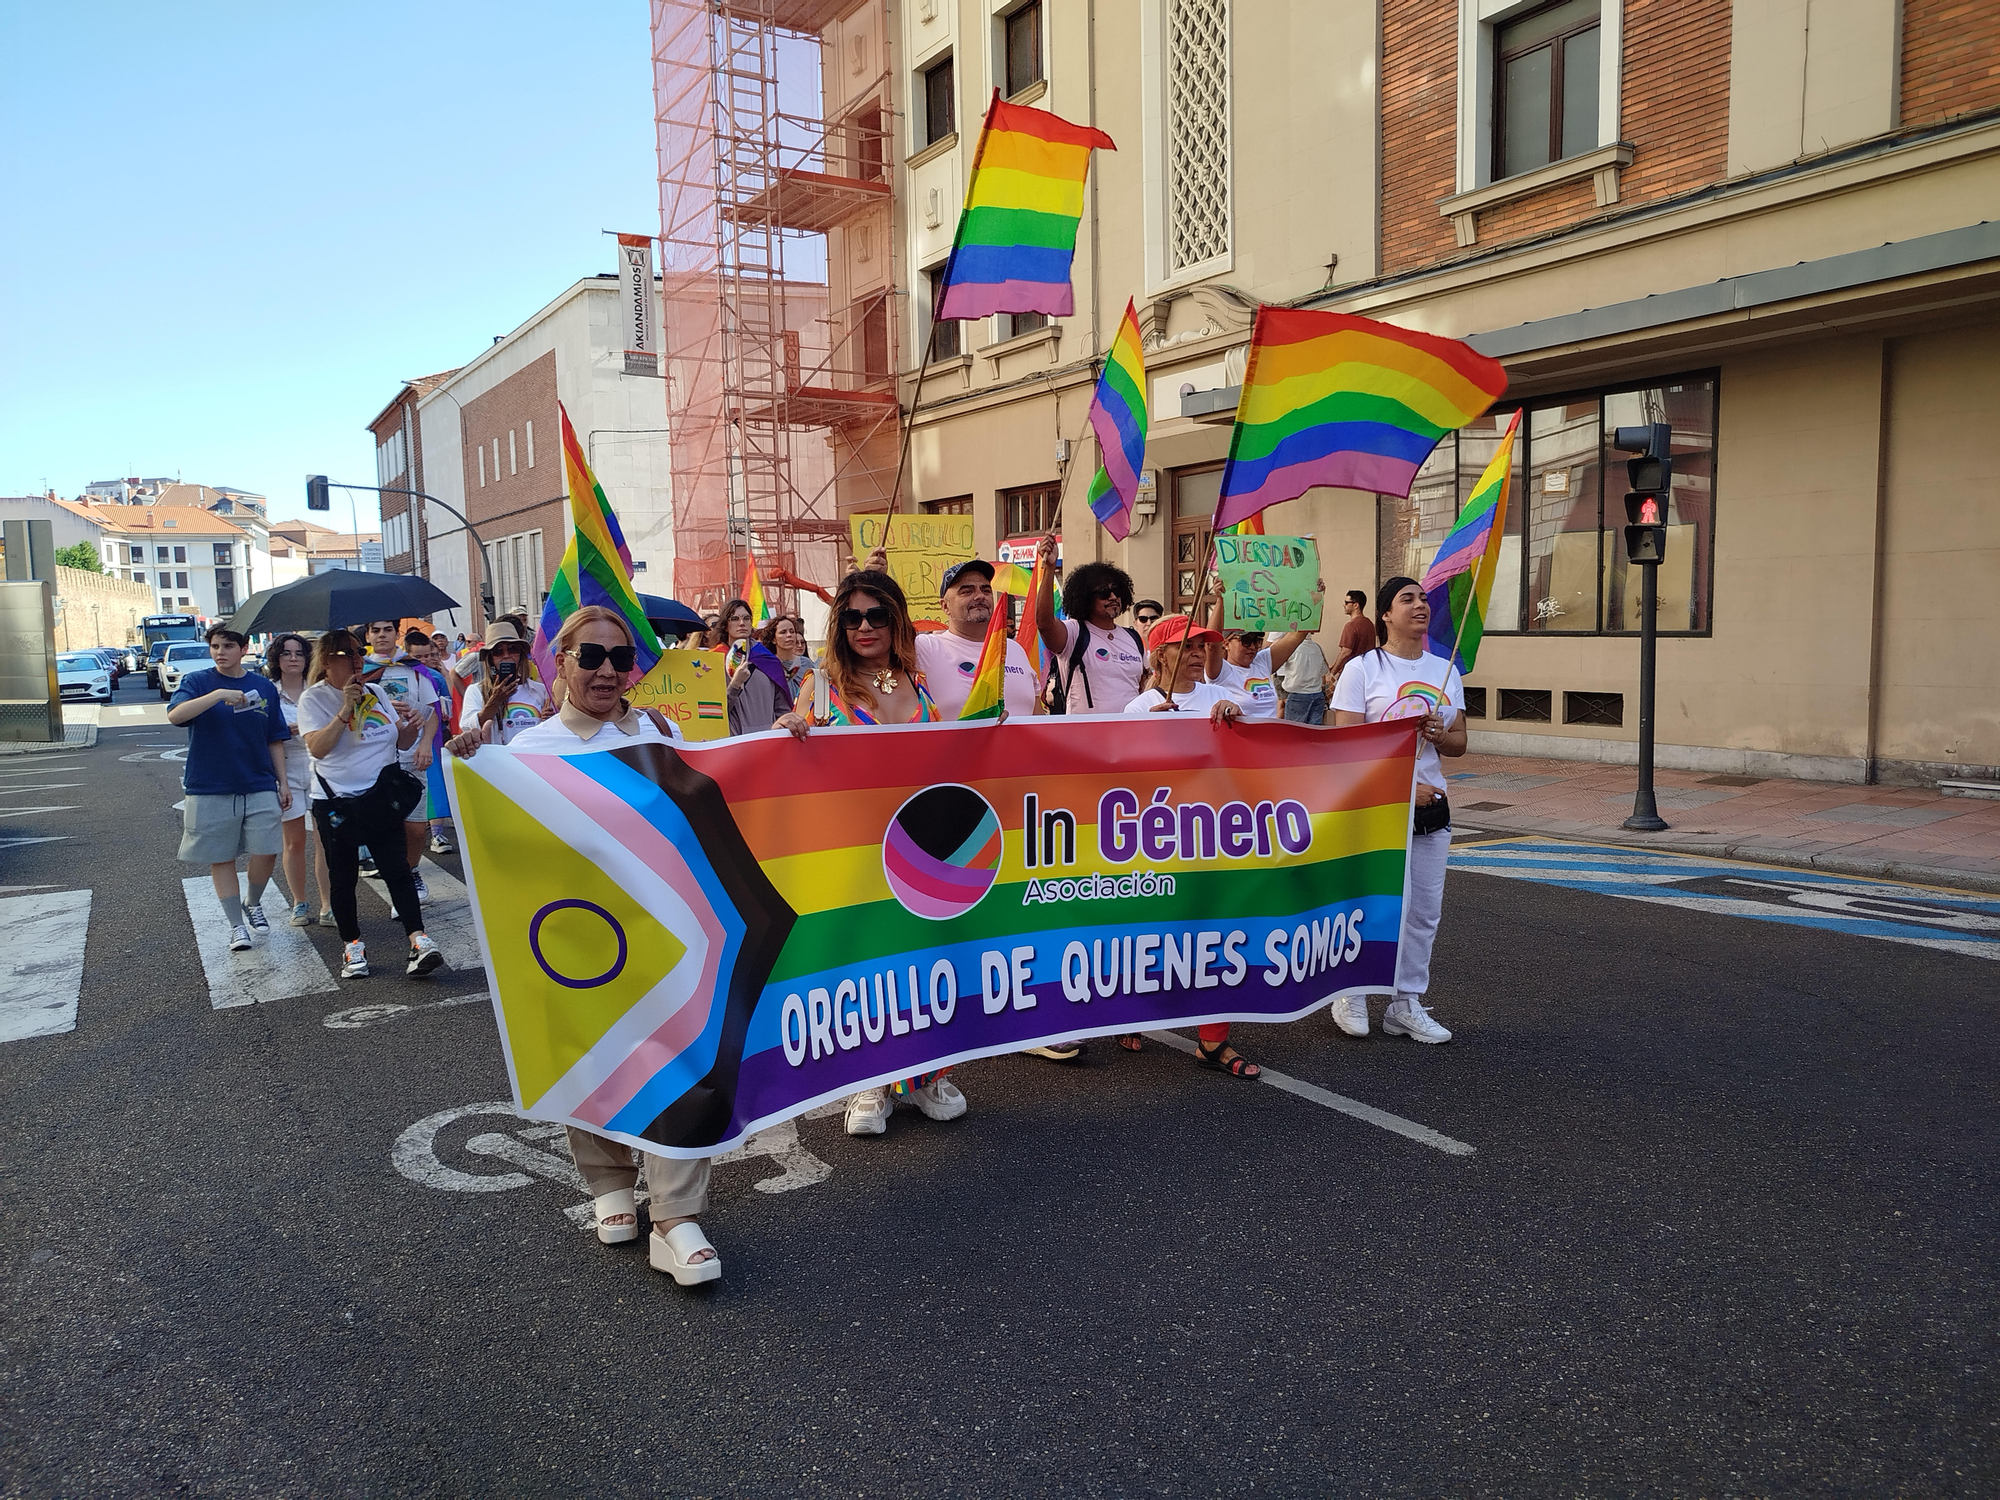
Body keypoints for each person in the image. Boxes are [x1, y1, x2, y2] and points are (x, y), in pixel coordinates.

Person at [447, 605, 720, 1287]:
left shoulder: (663, 732)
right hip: (579, 938)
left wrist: (788, 736)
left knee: (682, 1065)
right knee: (591, 1059)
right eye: (590, 657)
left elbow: (719, 803)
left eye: (620, 658)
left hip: (668, 931)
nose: (606, 671)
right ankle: (608, 1186)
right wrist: (472, 773)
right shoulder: (530, 751)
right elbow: (503, 851)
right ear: (558, 663)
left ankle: (675, 1219)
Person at [774, 571, 971, 1136]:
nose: (865, 627)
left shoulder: (902, 677)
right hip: (852, 850)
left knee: (924, 957)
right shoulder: (823, 682)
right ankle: (870, 1080)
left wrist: (986, 739)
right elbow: (789, 744)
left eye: (877, 616)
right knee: (863, 963)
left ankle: (928, 1074)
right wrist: (789, 726)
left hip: (919, 843)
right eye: (853, 617)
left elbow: (939, 751)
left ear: (895, 621)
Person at [1329, 576, 1466, 1045]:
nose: (1420, 605)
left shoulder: (1445, 668)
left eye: (1424, 598)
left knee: (1423, 912)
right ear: (1386, 614)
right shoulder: (1363, 670)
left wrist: (1439, 734)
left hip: (1433, 809)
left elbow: (1461, 743)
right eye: (1407, 599)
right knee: (1372, 906)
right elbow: (1345, 748)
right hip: (1376, 808)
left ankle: (1405, 1003)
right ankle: (1351, 990)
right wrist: (1405, 791)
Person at [1120, 615, 1256, 1074]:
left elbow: (1265, 727)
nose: (1200, 653)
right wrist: (1149, 738)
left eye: (1204, 645)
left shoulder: (1221, 696)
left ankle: (1214, 1041)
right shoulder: (1139, 709)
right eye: (1188, 646)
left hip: (1214, 839)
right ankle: (1132, 1014)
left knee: (1216, 936)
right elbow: (1125, 782)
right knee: (1153, 936)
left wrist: (1239, 717)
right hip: (1157, 843)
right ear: (1160, 655)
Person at [296, 630, 444, 980]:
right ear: (328, 660)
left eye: (358, 652)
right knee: (343, 876)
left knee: (398, 870)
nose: (357, 660)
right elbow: (317, 748)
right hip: (336, 801)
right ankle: (353, 946)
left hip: (379, 795)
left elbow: (399, 739)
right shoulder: (313, 699)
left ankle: (418, 940)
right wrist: (344, 707)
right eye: (347, 654)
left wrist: (412, 727)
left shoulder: (376, 692)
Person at [166, 624, 291, 952]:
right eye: (215, 646)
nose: (220, 652)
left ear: (244, 649)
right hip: (210, 784)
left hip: (259, 780)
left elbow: (275, 738)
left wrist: (284, 783)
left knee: (266, 850)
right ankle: (237, 926)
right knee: (221, 857)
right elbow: (176, 716)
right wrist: (218, 696)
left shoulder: (262, 686)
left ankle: (253, 901)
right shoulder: (198, 682)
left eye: (227, 646)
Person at [360, 620, 439, 899]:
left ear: (397, 634)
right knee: (387, 828)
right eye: (376, 630)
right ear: (368, 635)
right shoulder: (361, 670)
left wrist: (426, 744)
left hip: (411, 755)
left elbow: (432, 712)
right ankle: (400, 886)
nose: (382, 635)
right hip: (373, 760)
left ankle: (412, 869)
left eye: (388, 630)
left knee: (416, 828)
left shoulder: (414, 669)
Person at [1032, 537, 1146, 715]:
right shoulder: (1074, 632)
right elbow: (1044, 623)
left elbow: (1142, 688)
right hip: (1085, 737)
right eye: (1103, 593)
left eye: (1116, 590)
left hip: (1130, 735)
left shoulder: (1133, 638)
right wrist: (1049, 569)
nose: (1113, 597)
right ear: (1085, 598)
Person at [914, 560, 1040, 720]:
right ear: (945, 606)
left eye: (986, 590)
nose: (980, 596)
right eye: (967, 592)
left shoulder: (1015, 649)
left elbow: (1039, 722)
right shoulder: (925, 648)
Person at [1203, 575, 1321, 721]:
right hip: (1239, 740)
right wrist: (1220, 600)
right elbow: (1211, 644)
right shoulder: (1221, 672)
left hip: (1268, 740)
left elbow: (1297, 636)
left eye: (1257, 641)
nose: (1252, 646)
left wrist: (1314, 599)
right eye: (1246, 640)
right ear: (1226, 643)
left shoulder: (1262, 661)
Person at [265, 632, 321, 926]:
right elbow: (265, 734)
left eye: (299, 653)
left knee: (326, 840)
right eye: (286, 653)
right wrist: (287, 730)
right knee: (294, 842)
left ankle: (329, 904)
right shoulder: (269, 693)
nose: (293, 659)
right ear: (277, 659)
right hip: (285, 769)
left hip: (320, 767)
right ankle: (300, 902)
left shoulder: (318, 690)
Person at [404, 629, 456, 862]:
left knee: (434, 785)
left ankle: (436, 834)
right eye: (418, 657)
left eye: (428, 656)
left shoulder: (433, 678)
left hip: (431, 739)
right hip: (399, 742)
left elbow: (447, 705)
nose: (424, 661)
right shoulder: (398, 674)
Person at [456, 620, 549, 746]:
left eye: (513, 649)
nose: (506, 655)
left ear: (521, 655)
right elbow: (468, 728)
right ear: (490, 658)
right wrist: (494, 701)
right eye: (498, 651)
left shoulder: (540, 691)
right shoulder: (476, 691)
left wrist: (549, 720)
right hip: (497, 762)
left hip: (531, 760)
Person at [725, 610, 801, 736]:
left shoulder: (768, 660)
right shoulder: (714, 660)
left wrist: (781, 731)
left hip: (766, 738)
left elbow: (781, 707)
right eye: (734, 618)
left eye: (746, 618)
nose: (742, 623)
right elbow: (716, 712)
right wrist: (735, 685)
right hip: (733, 740)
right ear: (725, 625)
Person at [1276, 632, 1331, 725]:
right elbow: (1324, 670)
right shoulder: (1317, 647)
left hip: (1297, 694)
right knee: (1314, 732)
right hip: (1317, 694)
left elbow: (1277, 664)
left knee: (1294, 732)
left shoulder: (1291, 648)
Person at [1328, 589, 1377, 685]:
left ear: (1356, 605)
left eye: (1346, 602)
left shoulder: (1351, 626)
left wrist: (1332, 673)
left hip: (1352, 673)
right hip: (1368, 672)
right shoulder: (1370, 624)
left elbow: (1345, 652)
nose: (1344, 605)